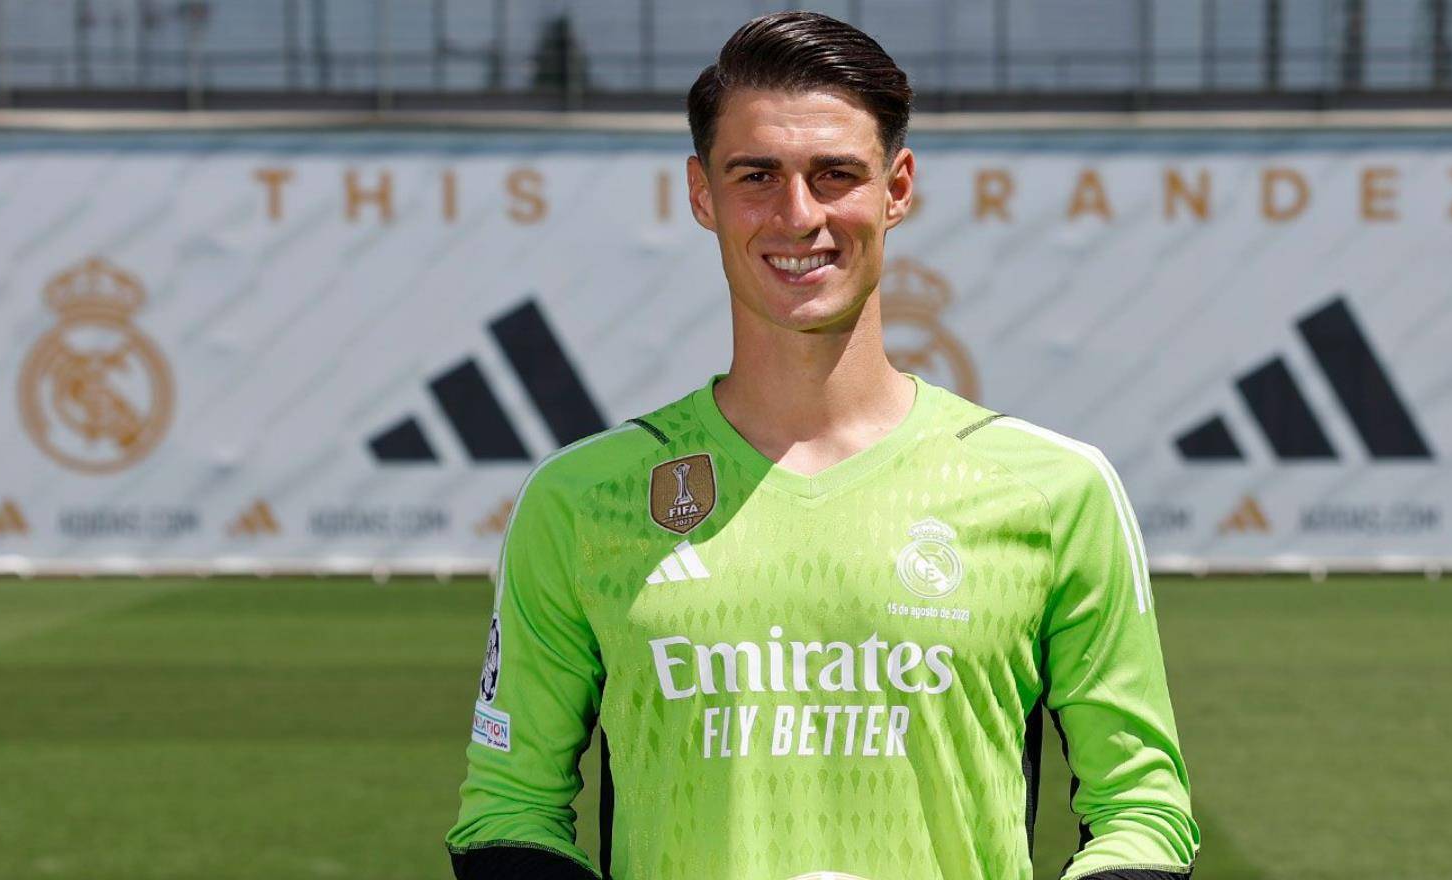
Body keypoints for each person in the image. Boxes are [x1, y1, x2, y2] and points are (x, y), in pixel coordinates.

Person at [447, 11, 1197, 879]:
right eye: (756, 175)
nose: (798, 215)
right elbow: (507, 813)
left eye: (835, 174)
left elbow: (1142, 810)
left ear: (897, 188)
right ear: (702, 193)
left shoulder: (1053, 489)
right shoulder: (584, 498)